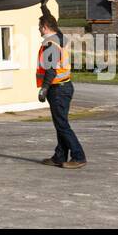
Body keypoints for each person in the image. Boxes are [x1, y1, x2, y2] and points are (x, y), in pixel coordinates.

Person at [36, 9, 86, 169]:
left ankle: (79, 156)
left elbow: (50, 70)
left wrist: (44, 88)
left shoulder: (50, 44)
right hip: (64, 87)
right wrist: (44, 9)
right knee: (60, 124)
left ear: (44, 26)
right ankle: (60, 156)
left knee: (62, 125)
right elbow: (55, 25)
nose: (38, 29)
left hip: (58, 89)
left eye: (39, 26)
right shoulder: (59, 38)